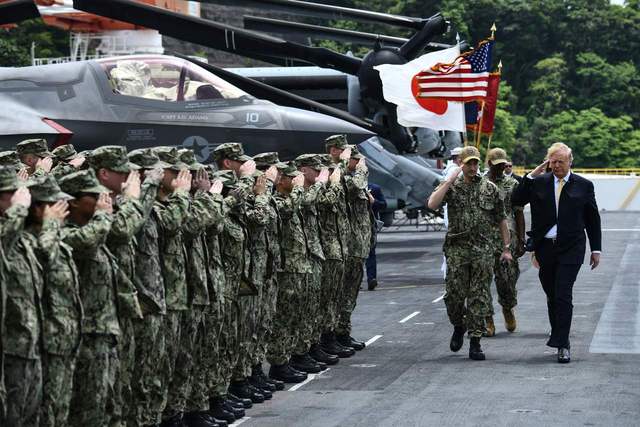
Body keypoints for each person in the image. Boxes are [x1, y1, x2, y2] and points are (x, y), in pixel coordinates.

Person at [512, 142, 601, 363]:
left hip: (572, 247)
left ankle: (563, 344)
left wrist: (596, 249)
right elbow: (516, 199)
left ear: (570, 161)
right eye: (553, 162)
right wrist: (531, 175)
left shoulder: (584, 185)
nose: (557, 166)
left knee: (563, 293)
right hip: (546, 248)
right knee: (552, 295)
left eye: (561, 161)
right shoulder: (539, 183)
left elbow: (592, 219)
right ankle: (557, 332)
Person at [427, 146, 513, 361]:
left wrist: (506, 248)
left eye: (476, 163)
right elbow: (432, 204)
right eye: (469, 163)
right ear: (461, 164)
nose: (473, 167)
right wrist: (448, 181)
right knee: (453, 296)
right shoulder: (452, 187)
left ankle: (475, 342)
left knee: (479, 296)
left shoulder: (489, 188)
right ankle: (459, 325)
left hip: (482, 249)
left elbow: (501, 219)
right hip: (457, 249)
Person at [59, 169, 119, 427]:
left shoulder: (95, 228)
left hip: (105, 331)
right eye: (94, 196)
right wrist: (104, 216)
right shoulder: (67, 234)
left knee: (107, 402)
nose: (103, 200)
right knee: (87, 408)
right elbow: (87, 242)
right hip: (85, 335)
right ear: (73, 201)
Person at [25, 176, 82, 427]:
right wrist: (50, 226)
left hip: (64, 338)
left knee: (61, 407)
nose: (63, 209)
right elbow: (39, 259)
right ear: (37, 209)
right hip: (44, 343)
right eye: (54, 204)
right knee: (46, 410)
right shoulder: (27, 241)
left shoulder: (56, 237)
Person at [0, 167, 42, 427]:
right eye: (11, 194)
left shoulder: (20, 234)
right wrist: (18, 210)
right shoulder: (9, 230)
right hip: (11, 348)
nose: (20, 198)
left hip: (28, 342)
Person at [484, 148, 526, 336]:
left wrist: (522, 239)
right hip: (483, 240)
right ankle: (488, 319)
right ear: (489, 164)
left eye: (503, 164)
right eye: (497, 164)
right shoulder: (480, 183)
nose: (501, 167)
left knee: (507, 280)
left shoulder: (512, 184)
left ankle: (507, 308)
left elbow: (518, 212)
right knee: (481, 282)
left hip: (506, 241)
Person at [365, 183, 387, 291]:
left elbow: (384, 205)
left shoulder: (374, 188)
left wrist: (373, 201)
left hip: (370, 226)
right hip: (353, 226)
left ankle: (371, 279)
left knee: (370, 253)